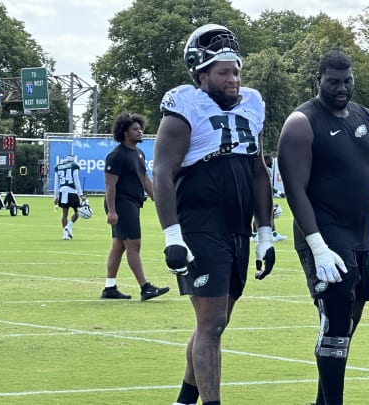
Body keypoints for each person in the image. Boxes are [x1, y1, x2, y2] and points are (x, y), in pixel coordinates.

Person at [152, 24, 275, 405]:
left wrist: (265, 232)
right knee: (212, 324)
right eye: (223, 71)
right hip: (200, 226)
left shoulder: (253, 104)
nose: (233, 78)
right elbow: (162, 172)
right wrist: (172, 235)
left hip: (236, 227)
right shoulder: (183, 105)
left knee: (216, 322)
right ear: (201, 74)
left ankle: (184, 400)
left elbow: (258, 173)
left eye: (236, 70)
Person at [277, 50, 369, 405]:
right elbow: (294, 189)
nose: (342, 88)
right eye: (334, 81)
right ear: (319, 80)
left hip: (363, 236)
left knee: (349, 324)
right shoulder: (301, 123)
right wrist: (317, 245)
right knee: (335, 322)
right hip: (324, 233)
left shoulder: (368, 117)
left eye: (348, 80)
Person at [100, 112, 169, 301]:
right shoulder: (116, 155)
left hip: (132, 203)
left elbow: (145, 179)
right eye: (135, 129)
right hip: (122, 204)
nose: (140, 132)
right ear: (125, 132)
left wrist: (158, 197)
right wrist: (112, 211)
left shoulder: (138, 153)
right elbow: (110, 185)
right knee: (133, 244)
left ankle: (109, 288)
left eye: (140, 128)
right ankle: (145, 287)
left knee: (118, 246)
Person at [252, 155, 287, 242]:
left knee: (269, 214)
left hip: (264, 196)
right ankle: (254, 236)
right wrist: (279, 193)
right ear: (266, 161)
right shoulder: (262, 169)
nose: (272, 162)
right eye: (270, 160)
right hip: (259, 196)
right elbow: (267, 185)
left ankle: (274, 234)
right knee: (259, 215)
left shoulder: (266, 170)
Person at [53, 154, 84, 240]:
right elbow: (76, 180)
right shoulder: (74, 165)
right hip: (72, 191)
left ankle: (65, 234)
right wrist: (80, 194)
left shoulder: (58, 166)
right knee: (78, 211)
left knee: (64, 214)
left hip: (62, 192)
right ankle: (68, 227)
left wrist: (55, 196)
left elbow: (56, 183)